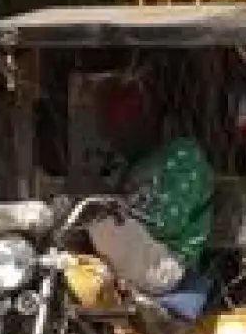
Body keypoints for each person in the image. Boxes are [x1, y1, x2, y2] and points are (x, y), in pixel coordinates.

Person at [87, 76, 214, 319]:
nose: (113, 139)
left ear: (145, 121)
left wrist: (115, 213)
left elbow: (166, 223)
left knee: (95, 222)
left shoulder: (183, 156)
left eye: (119, 129)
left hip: (165, 264)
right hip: (140, 256)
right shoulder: (133, 164)